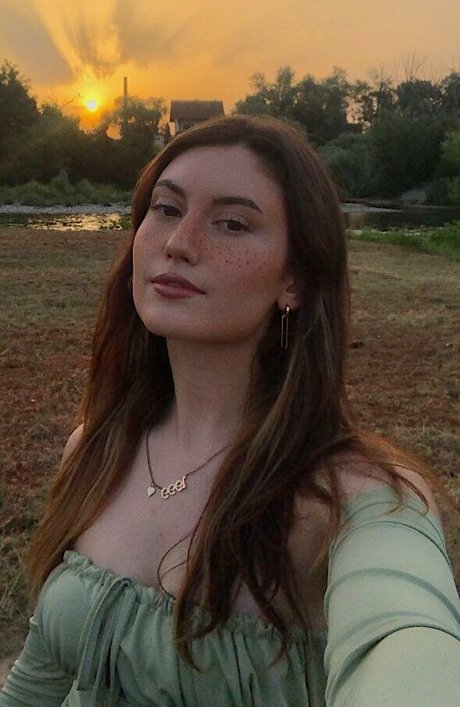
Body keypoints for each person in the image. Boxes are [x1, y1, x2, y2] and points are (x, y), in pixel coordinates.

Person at [1, 114, 459, 707]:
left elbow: (406, 638)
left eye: (232, 223)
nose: (179, 242)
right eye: (167, 208)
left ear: (294, 280)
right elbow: (37, 680)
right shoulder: (93, 449)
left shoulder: (354, 498)